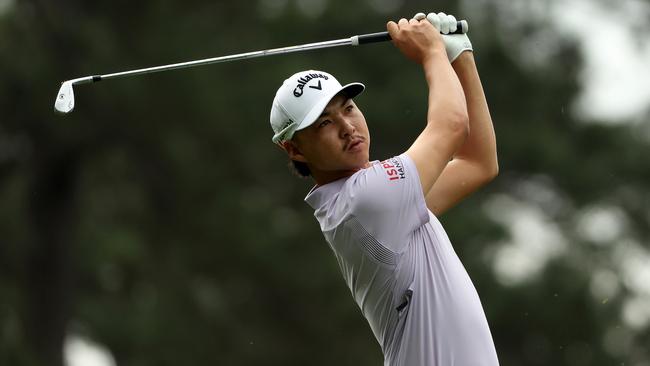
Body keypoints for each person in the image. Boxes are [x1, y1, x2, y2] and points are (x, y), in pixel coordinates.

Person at [269, 11, 499, 366]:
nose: (347, 127)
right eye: (325, 123)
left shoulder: (377, 199)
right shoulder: (364, 201)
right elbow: (452, 125)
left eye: (348, 108)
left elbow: (478, 164)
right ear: (295, 149)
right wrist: (433, 53)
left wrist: (459, 56)